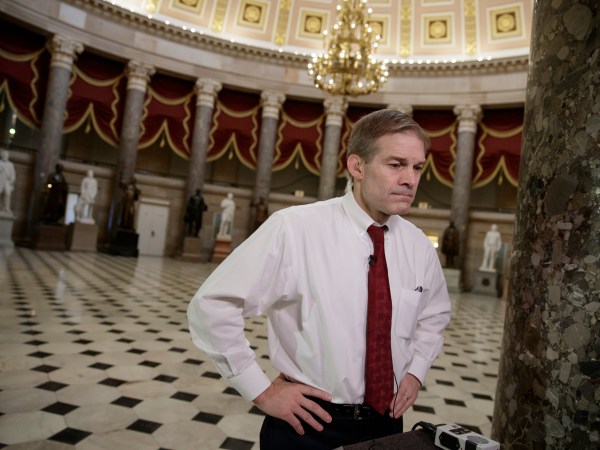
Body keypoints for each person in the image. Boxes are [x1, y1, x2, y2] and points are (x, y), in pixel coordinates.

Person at [187, 109, 451, 450]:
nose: (410, 179)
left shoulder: (419, 246)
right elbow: (212, 306)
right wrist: (261, 391)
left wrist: (416, 370)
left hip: (387, 422)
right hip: (310, 422)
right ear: (357, 167)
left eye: (417, 167)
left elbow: (434, 316)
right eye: (396, 164)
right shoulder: (295, 229)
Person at [0, 150, 16, 214]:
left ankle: (6, 207)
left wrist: (12, 180)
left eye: (6, 155)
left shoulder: (10, 164)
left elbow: (13, 174)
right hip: (0, 180)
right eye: (3, 155)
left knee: (7, 193)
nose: (5, 156)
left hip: (7, 181)